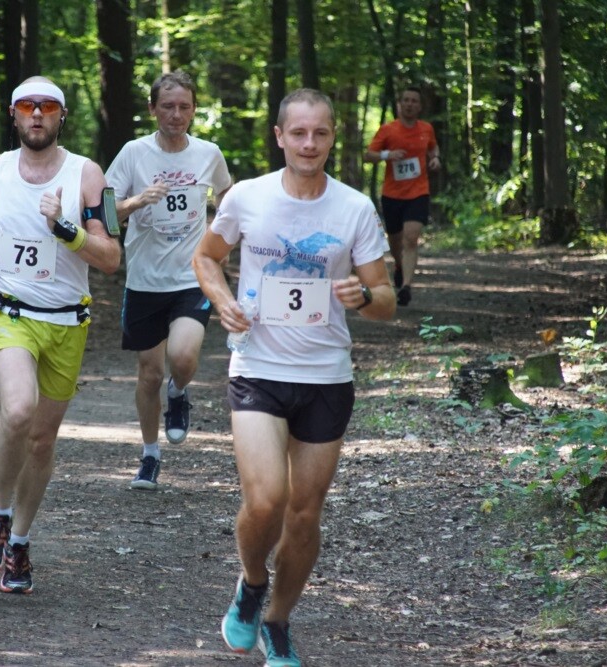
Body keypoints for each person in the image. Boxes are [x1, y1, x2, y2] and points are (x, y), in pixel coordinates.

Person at [193, 89, 396, 665]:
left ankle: (278, 620)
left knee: (305, 513)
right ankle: (252, 582)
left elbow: (386, 301)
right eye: (299, 133)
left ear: (334, 137)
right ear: (279, 136)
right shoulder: (247, 197)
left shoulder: (354, 208)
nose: (310, 144)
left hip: (326, 375)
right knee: (266, 502)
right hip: (258, 366)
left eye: (321, 134)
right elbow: (206, 258)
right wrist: (223, 301)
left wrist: (362, 297)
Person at [0, 76, 121, 594]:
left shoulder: (89, 176)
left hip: (67, 321)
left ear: (61, 116)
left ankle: (18, 542)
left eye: (47, 107)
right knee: (18, 410)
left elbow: (111, 258)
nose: (36, 115)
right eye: (27, 106)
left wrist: (68, 231)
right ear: (13, 114)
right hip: (7, 311)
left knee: (41, 440)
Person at [105, 71, 232, 491]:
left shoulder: (209, 153)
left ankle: (179, 393)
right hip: (144, 279)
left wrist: (218, 244)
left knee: (181, 357)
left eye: (184, 107)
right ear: (152, 109)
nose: (176, 115)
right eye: (168, 106)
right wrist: (137, 201)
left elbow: (228, 200)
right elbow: (103, 213)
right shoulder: (133, 154)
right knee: (148, 374)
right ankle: (149, 455)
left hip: (191, 274)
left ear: (194, 109)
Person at [364, 85, 441, 306]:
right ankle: (398, 265)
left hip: (418, 192)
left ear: (420, 106)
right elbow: (368, 156)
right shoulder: (388, 130)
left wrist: (435, 158)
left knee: (411, 238)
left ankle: (406, 286)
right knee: (395, 240)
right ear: (400, 104)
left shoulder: (427, 129)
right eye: (406, 100)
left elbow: (433, 148)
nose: (409, 104)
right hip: (392, 194)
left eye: (414, 101)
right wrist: (389, 154)